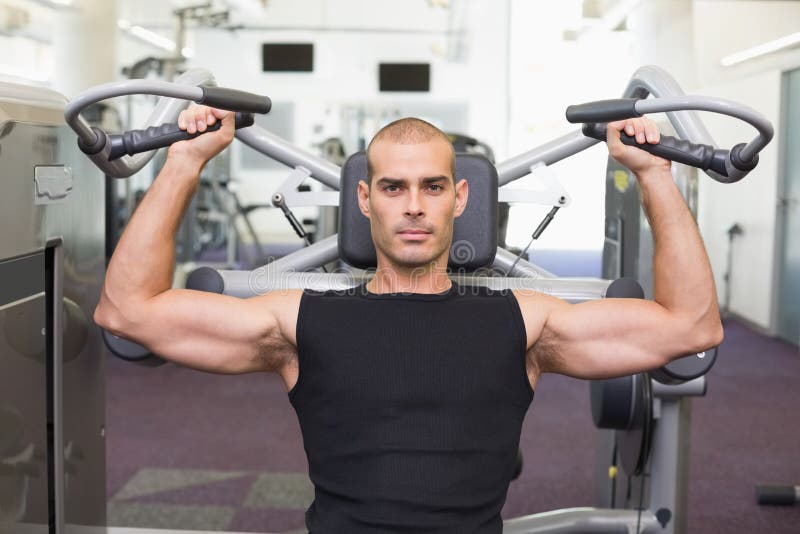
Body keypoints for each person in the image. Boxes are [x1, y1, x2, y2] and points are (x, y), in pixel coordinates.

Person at [94, 106, 723, 533]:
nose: (414, 207)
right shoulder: (298, 321)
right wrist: (184, 162)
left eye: (432, 187)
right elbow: (126, 311)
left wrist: (654, 174)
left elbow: (691, 327)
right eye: (393, 188)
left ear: (461, 197)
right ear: (364, 200)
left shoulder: (525, 323)